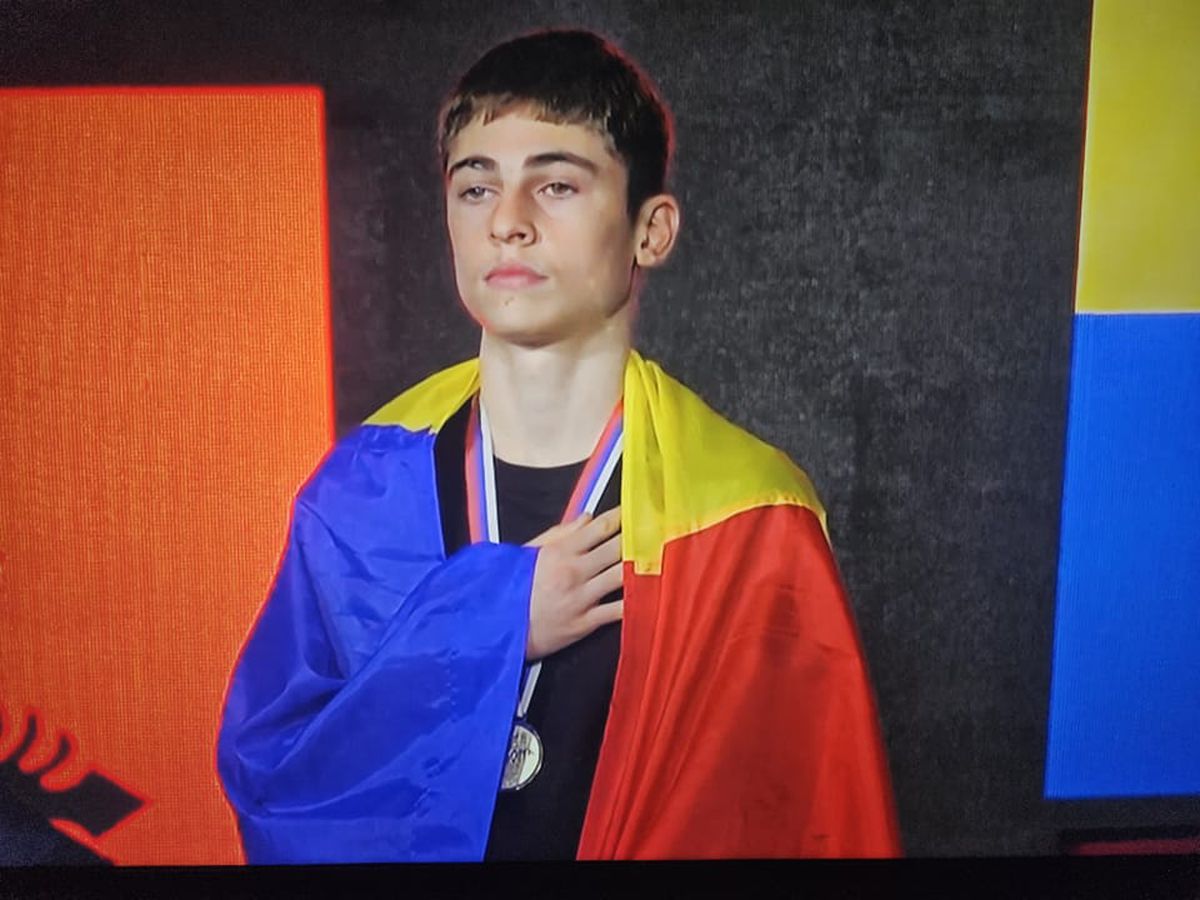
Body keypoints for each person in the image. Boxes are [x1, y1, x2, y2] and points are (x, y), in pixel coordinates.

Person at [216, 28, 900, 862]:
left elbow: (823, 826)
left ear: (651, 230)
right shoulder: (359, 492)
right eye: (476, 188)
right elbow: (278, 775)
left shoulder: (749, 514)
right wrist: (496, 622)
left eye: (557, 185)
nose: (508, 223)